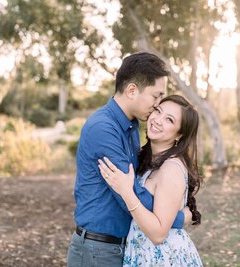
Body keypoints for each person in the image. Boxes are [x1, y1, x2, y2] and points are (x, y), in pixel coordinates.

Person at [67, 52, 191, 267]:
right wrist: (176, 218)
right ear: (132, 90)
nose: (157, 104)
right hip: (98, 251)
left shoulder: (131, 125)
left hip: (117, 248)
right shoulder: (103, 129)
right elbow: (130, 193)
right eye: (156, 96)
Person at [98, 95, 203, 266]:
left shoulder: (171, 169)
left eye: (169, 120)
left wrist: (126, 192)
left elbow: (158, 234)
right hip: (144, 254)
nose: (158, 120)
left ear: (180, 135)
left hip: (163, 258)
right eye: (158, 111)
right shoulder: (151, 161)